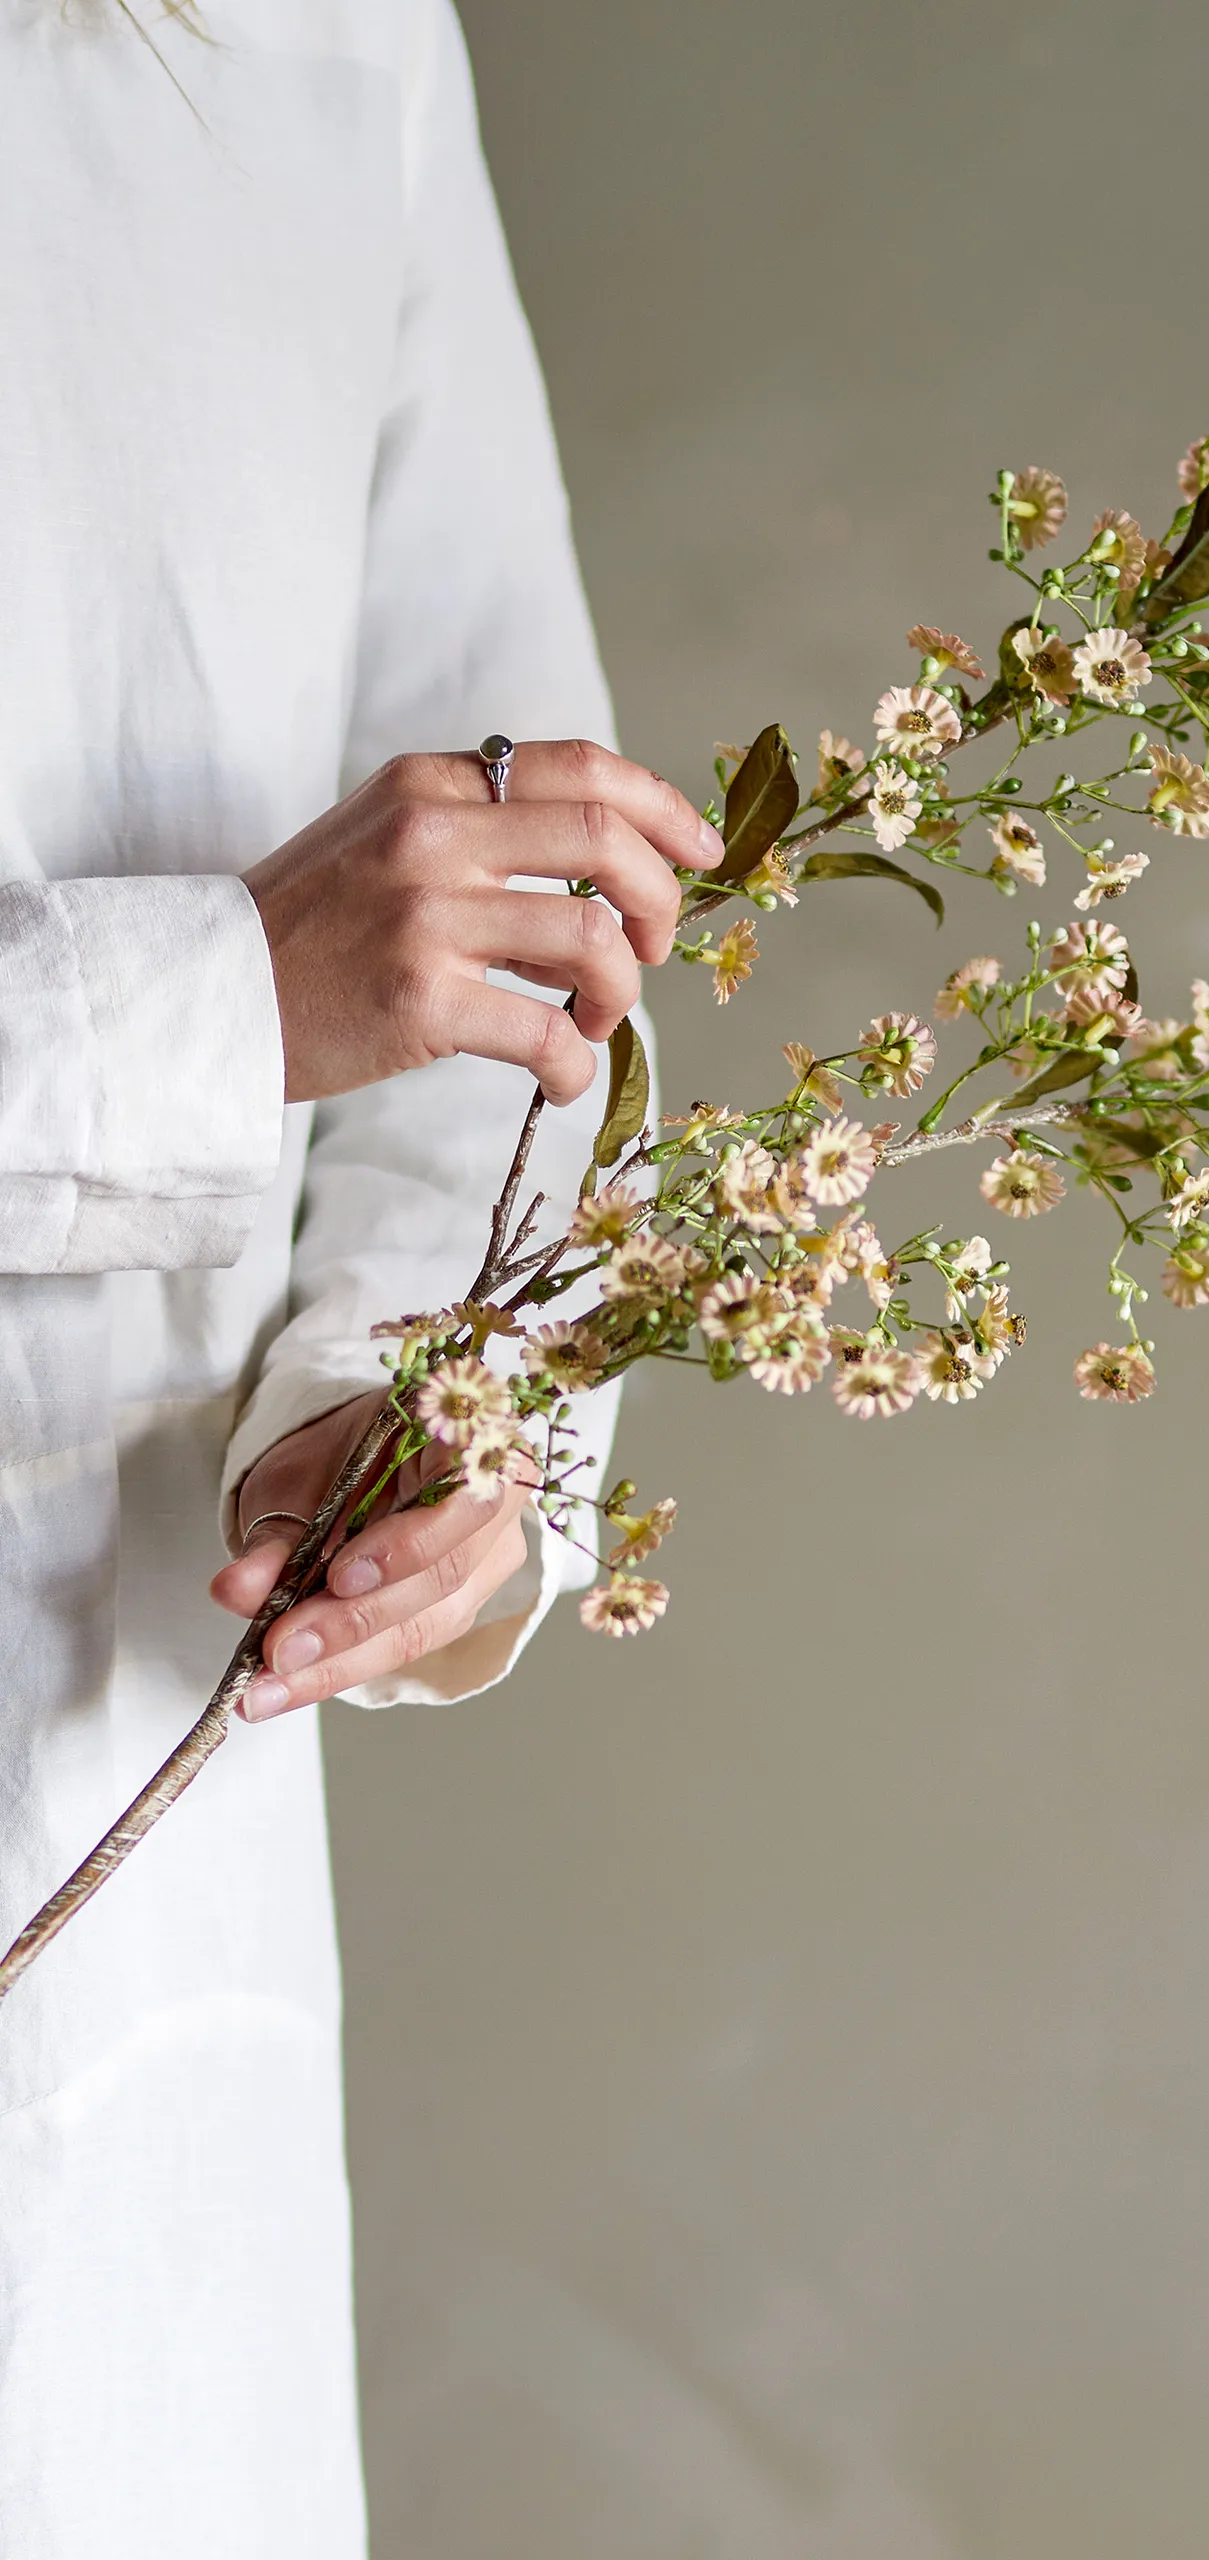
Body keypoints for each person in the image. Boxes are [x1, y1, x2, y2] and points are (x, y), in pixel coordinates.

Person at [0, 7, 712, 2550]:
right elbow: (315, 959)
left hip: (137, 1843)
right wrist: (205, 1008)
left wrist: (428, 1397)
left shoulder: (335, 38)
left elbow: (518, 874)